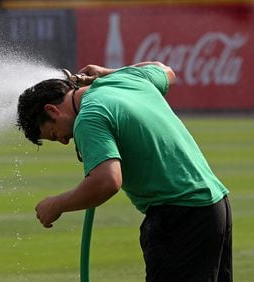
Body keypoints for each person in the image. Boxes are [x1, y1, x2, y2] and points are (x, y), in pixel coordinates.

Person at [16, 61, 232, 281]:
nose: (63, 141)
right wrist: (107, 72)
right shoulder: (124, 80)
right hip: (215, 207)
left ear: (52, 110)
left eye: (54, 134)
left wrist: (56, 205)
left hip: (180, 218)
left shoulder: (89, 117)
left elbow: (107, 181)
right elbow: (166, 71)